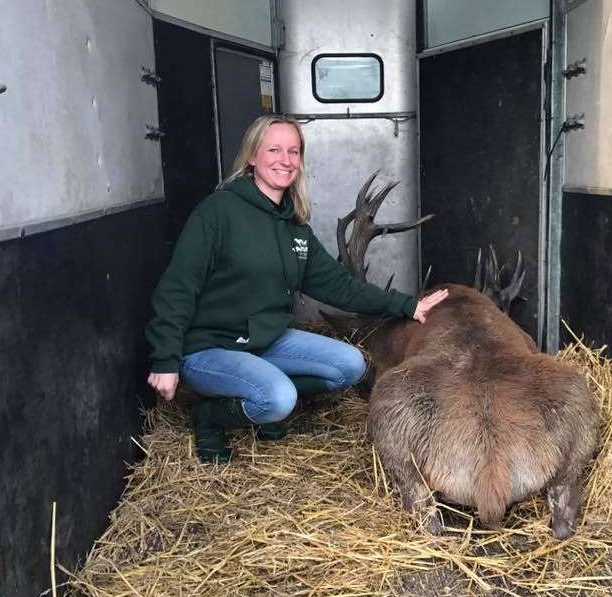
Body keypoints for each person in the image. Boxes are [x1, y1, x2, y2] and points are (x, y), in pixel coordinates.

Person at [146, 114, 448, 462]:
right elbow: (176, 289)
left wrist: (406, 306)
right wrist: (165, 359)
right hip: (209, 349)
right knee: (278, 397)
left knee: (350, 365)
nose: (285, 160)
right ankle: (210, 417)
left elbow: (338, 286)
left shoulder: (294, 224)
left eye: (293, 151)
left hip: (265, 341)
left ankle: (258, 399)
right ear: (252, 157)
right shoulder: (218, 212)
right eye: (274, 149)